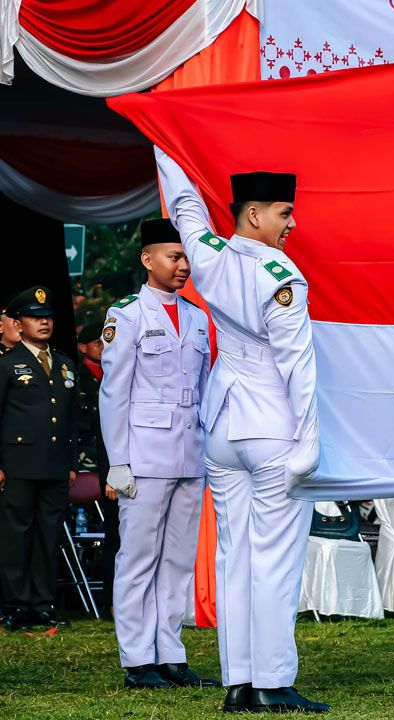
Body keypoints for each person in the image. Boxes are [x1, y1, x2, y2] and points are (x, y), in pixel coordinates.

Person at [156, 151, 327, 712]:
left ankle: (239, 681)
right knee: (274, 557)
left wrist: (162, 136)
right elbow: (296, 364)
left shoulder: (208, 256)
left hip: (222, 427)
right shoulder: (283, 277)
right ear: (254, 215)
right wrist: (310, 439)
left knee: (234, 556)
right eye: (284, 212)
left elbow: (184, 206)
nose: (292, 223)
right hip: (271, 429)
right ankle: (273, 681)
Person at [99, 219, 217, 690]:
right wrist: (118, 461)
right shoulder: (126, 314)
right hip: (144, 457)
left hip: (190, 454)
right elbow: (114, 393)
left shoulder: (194, 316)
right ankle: (136, 659)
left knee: (178, 561)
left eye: (185, 257)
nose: (183, 265)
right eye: (174, 256)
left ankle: (170, 654)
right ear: (148, 260)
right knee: (138, 558)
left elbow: (205, 387)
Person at [0, 286, 79, 632]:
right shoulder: (7, 364)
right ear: (19, 323)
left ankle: (42, 603)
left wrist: (73, 461)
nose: (44, 323)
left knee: (49, 534)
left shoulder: (63, 363)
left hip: (55, 462)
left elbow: (71, 418)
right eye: (35, 317)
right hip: (17, 462)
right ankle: (15, 604)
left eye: (47, 317)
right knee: (17, 535)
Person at [74, 318, 120, 615]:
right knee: (114, 532)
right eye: (97, 343)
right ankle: (110, 600)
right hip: (93, 461)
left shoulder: (115, 374)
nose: (104, 347)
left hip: (114, 456)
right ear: (82, 347)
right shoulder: (77, 378)